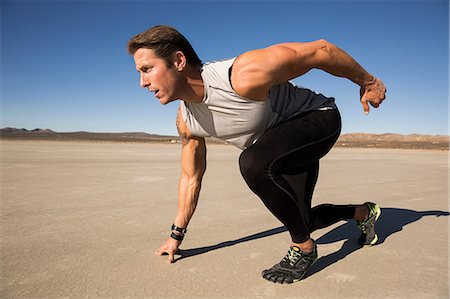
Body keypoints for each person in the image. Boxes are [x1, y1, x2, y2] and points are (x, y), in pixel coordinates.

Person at [128, 25, 386, 284]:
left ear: (178, 61)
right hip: (278, 150)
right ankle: (364, 213)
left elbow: (321, 50)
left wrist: (368, 82)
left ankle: (303, 249)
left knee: (252, 162)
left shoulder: (241, 74)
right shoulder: (187, 122)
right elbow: (190, 178)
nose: (142, 82)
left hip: (318, 119)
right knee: (301, 219)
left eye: (147, 69)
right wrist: (176, 236)